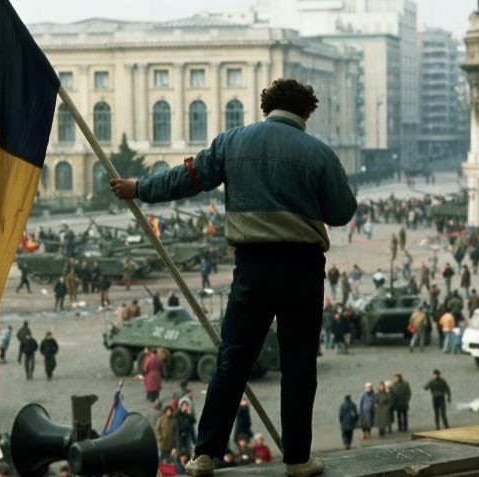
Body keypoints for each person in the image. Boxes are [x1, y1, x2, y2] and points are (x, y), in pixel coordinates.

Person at [110, 77, 356, 477]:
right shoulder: (320, 154)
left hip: (252, 267)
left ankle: (205, 454)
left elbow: (186, 178)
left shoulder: (232, 142)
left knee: (232, 361)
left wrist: (139, 188)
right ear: (306, 111)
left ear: (266, 107)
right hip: (302, 269)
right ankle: (297, 459)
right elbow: (342, 212)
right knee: (298, 366)